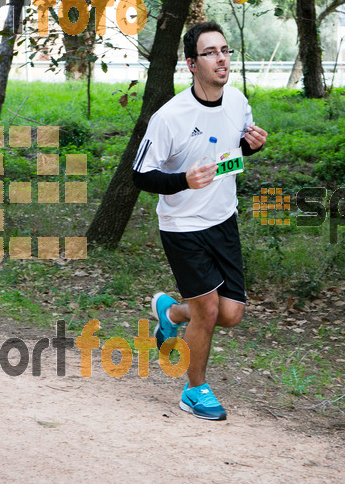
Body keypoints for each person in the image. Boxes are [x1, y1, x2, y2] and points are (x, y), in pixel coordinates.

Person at [132, 21, 267, 421]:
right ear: (191, 64)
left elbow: (229, 155)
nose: (222, 58)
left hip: (223, 219)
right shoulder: (170, 117)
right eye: (210, 53)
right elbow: (140, 174)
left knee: (230, 314)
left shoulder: (238, 102)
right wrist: (182, 180)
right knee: (207, 310)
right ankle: (194, 389)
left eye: (225, 50)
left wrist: (250, 146)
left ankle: (170, 313)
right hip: (182, 225)